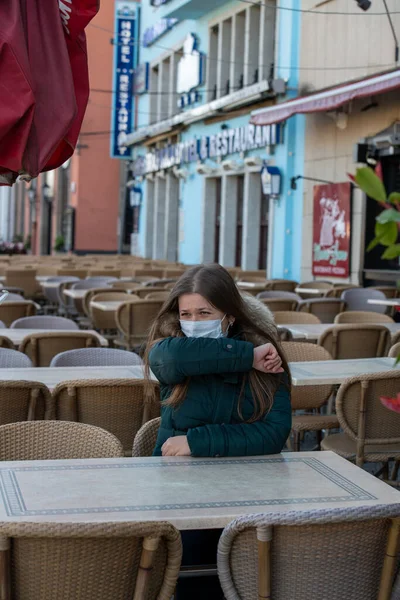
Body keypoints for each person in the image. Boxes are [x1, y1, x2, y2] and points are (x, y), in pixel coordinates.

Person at [143, 264, 291, 599]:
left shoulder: (267, 360)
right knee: (190, 577)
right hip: (178, 493)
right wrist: (246, 356)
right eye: (187, 313)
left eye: (205, 312)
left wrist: (196, 441)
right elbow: (169, 359)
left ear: (231, 315)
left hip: (250, 489)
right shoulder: (172, 351)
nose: (194, 322)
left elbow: (273, 433)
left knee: (255, 574)